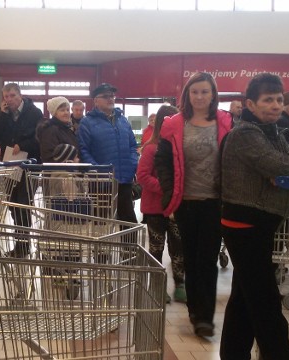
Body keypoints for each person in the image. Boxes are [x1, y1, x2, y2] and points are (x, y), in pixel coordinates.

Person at [219, 73, 289, 360]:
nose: (275, 105)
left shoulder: (274, 133)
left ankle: (233, 354)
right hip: (244, 225)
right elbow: (278, 162)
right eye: (268, 100)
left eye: (279, 100)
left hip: (260, 225)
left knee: (244, 299)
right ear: (250, 103)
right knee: (266, 303)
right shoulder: (245, 134)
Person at [154, 72, 232, 337]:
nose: (199, 97)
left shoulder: (225, 121)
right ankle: (195, 310)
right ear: (187, 95)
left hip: (214, 202)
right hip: (185, 202)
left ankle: (205, 317)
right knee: (191, 258)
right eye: (195, 92)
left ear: (213, 95)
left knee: (207, 260)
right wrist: (168, 190)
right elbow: (162, 161)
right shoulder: (173, 124)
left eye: (205, 92)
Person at [136, 104, 186, 304]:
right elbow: (142, 176)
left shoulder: (181, 148)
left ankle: (180, 284)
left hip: (176, 207)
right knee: (156, 248)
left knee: (178, 247)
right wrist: (168, 188)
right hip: (156, 208)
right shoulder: (151, 148)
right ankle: (157, 286)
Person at [0, 82, 43, 256]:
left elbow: (37, 138)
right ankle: (19, 242)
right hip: (10, 163)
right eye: (6, 96)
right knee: (13, 204)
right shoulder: (2, 114)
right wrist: (3, 115)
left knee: (24, 203)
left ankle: (24, 243)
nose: (9, 100)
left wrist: (22, 144)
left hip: (28, 164)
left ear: (20, 95)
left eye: (12, 95)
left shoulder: (34, 112)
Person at [78, 83, 138, 224]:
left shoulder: (123, 120)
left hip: (124, 179)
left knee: (128, 222)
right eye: (105, 96)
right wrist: (99, 171)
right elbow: (83, 150)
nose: (110, 99)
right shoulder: (87, 123)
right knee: (101, 222)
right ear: (95, 101)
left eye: (112, 96)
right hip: (101, 182)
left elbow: (132, 146)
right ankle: (99, 247)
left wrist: (132, 165)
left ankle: (129, 247)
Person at [38, 96, 78, 162]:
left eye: (68, 110)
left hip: (68, 170)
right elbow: (49, 156)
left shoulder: (67, 129)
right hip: (58, 171)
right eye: (62, 110)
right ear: (54, 113)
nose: (66, 113)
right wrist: (71, 162)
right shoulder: (50, 130)